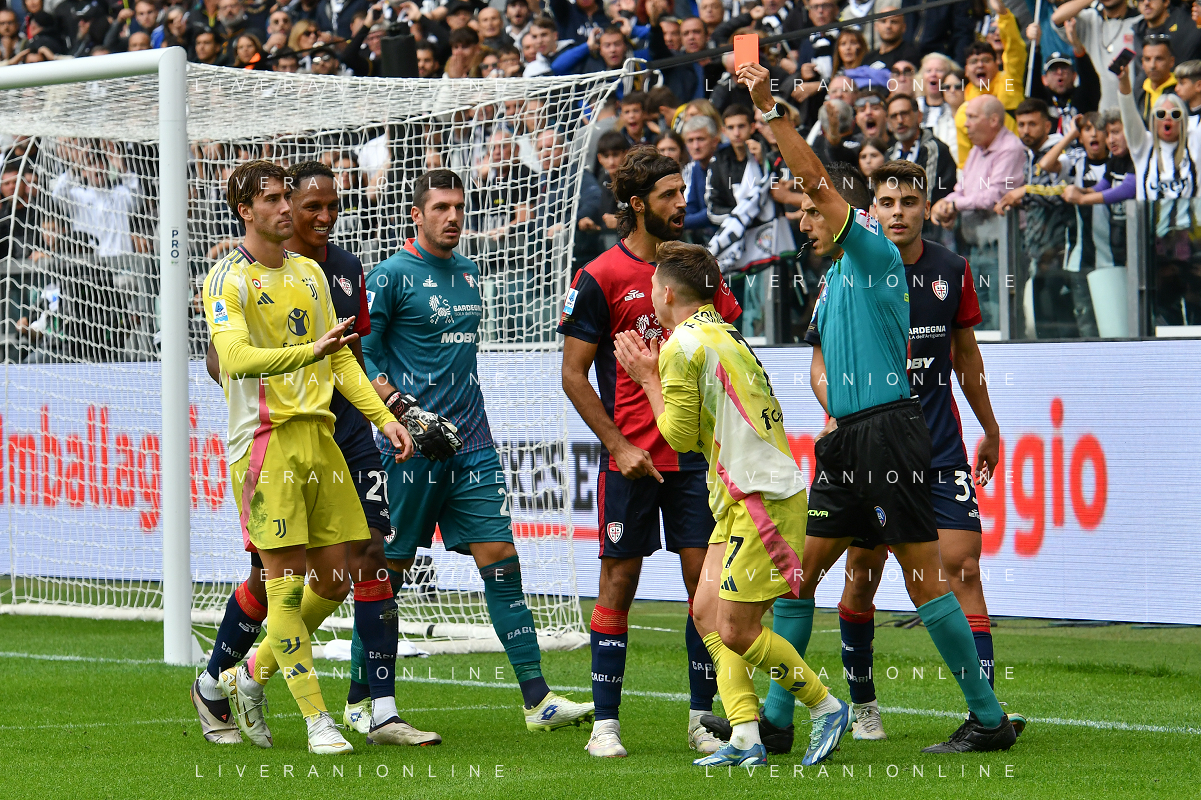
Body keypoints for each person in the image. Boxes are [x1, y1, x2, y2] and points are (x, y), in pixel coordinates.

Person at [736, 61, 1018, 755]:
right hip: (848, 440)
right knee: (799, 576)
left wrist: (770, 111)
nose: (806, 220)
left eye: (814, 211)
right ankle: (777, 720)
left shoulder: (869, 256)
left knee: (926, 581)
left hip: (890, 434)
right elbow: (821, 365)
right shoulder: (836, 276)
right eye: (803, 213)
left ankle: (987, 719)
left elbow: (814, 178)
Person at [191, 161, 441, 750]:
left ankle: (248, 677)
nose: (285, 207)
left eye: (286, 196)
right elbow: (234, 358)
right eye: (272, 199)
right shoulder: (226, 279)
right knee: (281, 584)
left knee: (333, 579)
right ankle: (316, 720)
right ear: (244, 211)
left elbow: (343, 360)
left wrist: (385, 419)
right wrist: (310, 352)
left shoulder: (309, 272)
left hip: (322, 439)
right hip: (266, 442)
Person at [361, 168, 596, 734]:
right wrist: (398, 408)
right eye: (440, 207)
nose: (452, 217)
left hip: (471, 444)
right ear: (416, 215)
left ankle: (538, 700)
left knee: (502, 561)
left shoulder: (470, 272)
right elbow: (361, 354)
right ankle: (365, 701)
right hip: (410, 449)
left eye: (459, 207)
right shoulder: (390, 276)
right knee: (387, 577)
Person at [805, 160, 1024, 743]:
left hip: (938, 449)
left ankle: (984, 711)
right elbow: (820, 362)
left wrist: (991, 427)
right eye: (887, 202)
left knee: (963, 568)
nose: (898, 212)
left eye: (909, 201)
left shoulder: (952, 270)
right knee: (862, 575)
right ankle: (864, 705)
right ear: (870, 211)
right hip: (871, 450)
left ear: (928, 207)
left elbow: (966, 355)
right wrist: (839, 409)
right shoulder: (846, 268)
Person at [611, 241, 853, 768]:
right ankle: (744, 735)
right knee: (705, 614)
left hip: (759, 498)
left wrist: (647, 379)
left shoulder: (680, 345)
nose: (650, 295)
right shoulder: (724, 333)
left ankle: (827, 707)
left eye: (652, 287)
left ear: (667, 293)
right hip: (745, 494)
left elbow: (677, 438)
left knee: (737, 630)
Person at [559, 146, 741, 758]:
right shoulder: (601, 276)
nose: (682, 203)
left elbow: (729, 349)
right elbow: (574, 375)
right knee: (619, 580)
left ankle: (702, 717)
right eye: (669, 194)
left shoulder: (698, 269)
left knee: (705, 588)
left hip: (695, 460)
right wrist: (617, 445)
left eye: (683, 191)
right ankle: (605, 725)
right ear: (637, 204)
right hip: (632, 461)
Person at [955, 0, 1025, 169]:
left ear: (996, 63)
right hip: (986, 175)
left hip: (1018, 166)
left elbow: (1015, 52)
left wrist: (1003, 15)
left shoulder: (1008, 82)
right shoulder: (963, 113)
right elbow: (965, 164)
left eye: (986, 60)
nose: (980, 65)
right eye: (974, 62)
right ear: (966, 71)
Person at [1051, 0, 1140, 111]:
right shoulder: (1091, 17)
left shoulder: (1139, 21)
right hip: (1092, 107)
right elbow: (1057, 18)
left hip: (1129, 105)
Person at [886, 93, 956, 205]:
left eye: (904, 114)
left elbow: (927, 200)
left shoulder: (935, 149)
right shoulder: (889, 154)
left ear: (919, 116)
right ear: (889, 124)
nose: (900, 120)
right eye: (894, 116)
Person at [1135, 36, 1179, 125]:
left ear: (1171, 61)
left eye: (1159, 59)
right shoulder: (1139, 92)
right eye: (1147, 59)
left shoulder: (1181, 91)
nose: (1152, 65)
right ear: (1142, 62)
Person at [864, 5, 921, 72]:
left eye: (894, 22)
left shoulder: (910, 55)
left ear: (904, 27)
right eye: (883, 21)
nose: (888, 26)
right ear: (876, 26)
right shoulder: (868, 57)